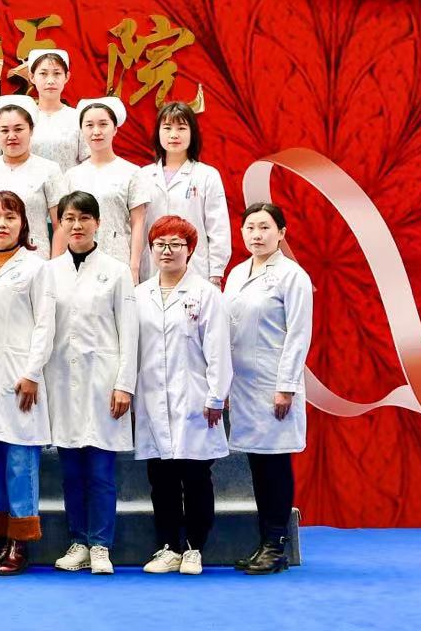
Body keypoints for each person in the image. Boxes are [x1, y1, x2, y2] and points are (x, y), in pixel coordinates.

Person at [43, 192, 137, 576]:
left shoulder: (116, 271)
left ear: (97, 223)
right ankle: (78, 542)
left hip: (103, 383)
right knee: (71, 473)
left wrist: (124, 384)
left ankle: (100, 545)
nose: (77, 225)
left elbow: (129, 332)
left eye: (84, 218)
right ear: (60, 225)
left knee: (100, 472)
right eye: (69, 218)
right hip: (63, 383)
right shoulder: (50, 272)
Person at [134, 215, 230, 575]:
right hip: (152, 398)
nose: (167, 251)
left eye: (176, 244)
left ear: (190, 250)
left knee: (195, 476)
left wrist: (216, 396)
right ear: (151, 249)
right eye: (160, 244)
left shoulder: (206, 294)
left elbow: (218, 349)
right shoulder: (139, 295)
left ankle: (194, 548)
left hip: (194, 398)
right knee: (161, 478)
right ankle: (168, 547)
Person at [224, 203, 312, 575]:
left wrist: (286, 387)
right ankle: (265, 542)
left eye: (264, 227)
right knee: (258, 465)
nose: (256, 235)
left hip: (274, 385)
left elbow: (299, 334)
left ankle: (276, 546)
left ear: (281, 233)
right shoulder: (236, 273)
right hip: (243, 385)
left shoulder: (292, 276)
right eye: (250, 228)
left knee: (275, 463)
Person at [0, 190, 55, 576]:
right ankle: (2, 539)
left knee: (21, 464)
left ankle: (20, 544)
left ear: (23, 224)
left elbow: (45, 325)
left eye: (10, 217)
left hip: (21, 380)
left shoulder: (37, 268)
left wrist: (32, 373)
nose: (1, 224)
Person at [138, 101, 231, 285]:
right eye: (167, 128)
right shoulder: (143, 176)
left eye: (181, 128)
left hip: (195, 268)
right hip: (151, 270)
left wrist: (216, 272)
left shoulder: (207, 175)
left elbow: (218, 227)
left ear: (192, 133)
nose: (174, 135)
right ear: (158, 133)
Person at [64, 99, 148, 278]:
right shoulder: (72, 176)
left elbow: (138, 222)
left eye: (103, 124)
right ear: (81, 130)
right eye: (89, 125)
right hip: (78, 260)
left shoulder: (132, 172)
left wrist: (134, 267)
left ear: (115, 129)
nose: (96, 131)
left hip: (118, 257)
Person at [0, 97, 69, 252]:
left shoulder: (49, 170)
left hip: (36, 257)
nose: (11, 136)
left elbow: (61, 227)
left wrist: (56, 264)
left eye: (18, 129)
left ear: (31, 130)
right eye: (4, 130)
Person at [23, 50, 81, 172]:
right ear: (32, 77)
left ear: (67, 77)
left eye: (57, 73)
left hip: (68, 184)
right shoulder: (23, 117)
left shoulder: (77, 117)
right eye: (43, 74)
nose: (50, 81)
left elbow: (88, 161)